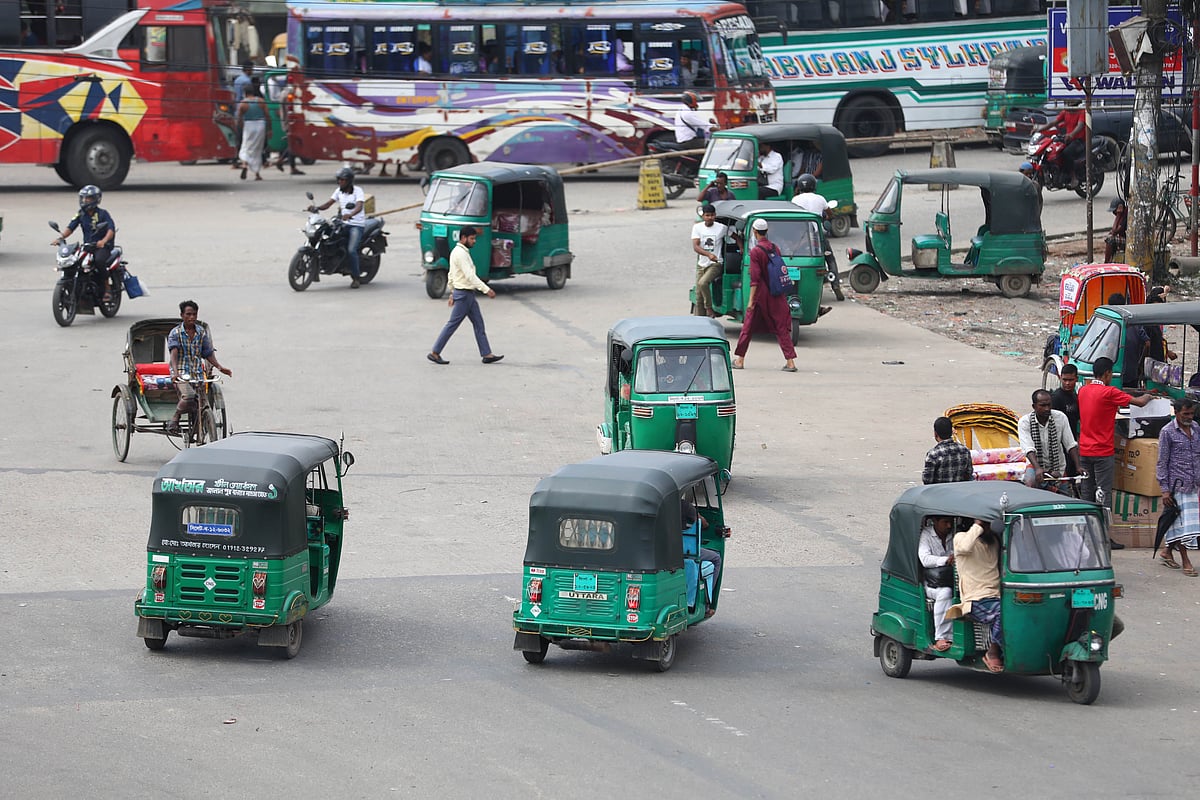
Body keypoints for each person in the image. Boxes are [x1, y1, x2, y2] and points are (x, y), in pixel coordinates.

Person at [1078, 356, 1152, 543]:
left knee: (1087, 492)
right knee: (1104, 494)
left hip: (1084, 450)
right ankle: (1104, 537)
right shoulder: (1109, 392)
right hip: (1102, 451)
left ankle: (1087, 534)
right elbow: (1140, 402)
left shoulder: (1083, 391)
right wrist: (1150, 395)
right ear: (1107, 373)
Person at [427, 226, 504, 365]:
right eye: (472, 238)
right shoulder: (461, 254)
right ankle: (435, 352)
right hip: (464, 295)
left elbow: (452, 274)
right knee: (452, 325)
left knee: (478, 324)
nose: (474, 241)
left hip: (466, 294)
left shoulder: (458, 252)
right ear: (463, 238)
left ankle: (487, 354)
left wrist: (452, 292)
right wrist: (486, 289)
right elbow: (470, 276)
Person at [732, 219, 797, 372]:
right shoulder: (775, 248)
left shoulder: (755, 251)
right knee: (781, 327)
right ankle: (790, 362)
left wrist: (750, 302)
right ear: (767, 231)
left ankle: (740, 360)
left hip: (761, 296)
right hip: (776, 293)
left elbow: (755, 279)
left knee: (747, 327)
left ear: (754, 232)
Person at [166, 300, 233, 436]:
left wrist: (220, 367)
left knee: (201, 405)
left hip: (197, 373)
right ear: (182, 315)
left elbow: (208, 353)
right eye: (188, 314)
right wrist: (175, 372)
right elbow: (174, 354)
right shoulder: (176, 333)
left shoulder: (201, 332)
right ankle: (175, 417)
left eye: (194, 314)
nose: (191, 317)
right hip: (181, 373)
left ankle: (199, 432)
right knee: (189, 396)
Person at [946, 518, 1004, 673]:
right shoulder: (961, 539)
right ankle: (992, 651)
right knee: (1003, 614)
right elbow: (964, 547)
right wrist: (978, 526)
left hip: (996, 595)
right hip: (976, 599)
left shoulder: (993, 542)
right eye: (985, 524)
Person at [1157, 397, 1200, 576]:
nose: (1189, 417)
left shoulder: (1197, 428)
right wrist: (1165, 490)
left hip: (1195, 483)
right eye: (1185, 414)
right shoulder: (1167, 432)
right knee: (1185, 525)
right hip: (1178, 485)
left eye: (1191, 413)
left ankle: (1167, 551)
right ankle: (1185, 560)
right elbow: (1162, 462)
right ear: (1176, 413)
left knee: (1178, 522)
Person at [52, 184, 117, 301]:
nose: (85, 201)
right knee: (74, 262)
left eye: (88, 198)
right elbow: (71, 227)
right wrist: (60, 238)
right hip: (87, 246)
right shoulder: (81, 213)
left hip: (102, 247)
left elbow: (110, 230)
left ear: (96, 199)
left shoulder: (103, 214)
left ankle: (107, 288)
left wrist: (103, 241)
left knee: (99, 261)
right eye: (83, 198)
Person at [309, 167, 366, 288]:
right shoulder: (338, 191)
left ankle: (356, 278)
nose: (340, 182)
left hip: (356, 225)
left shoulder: (358, 191)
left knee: (351, 250)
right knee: (326, 237)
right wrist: (317, 208)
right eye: (338, 179)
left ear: (349, 181)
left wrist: (350, 214)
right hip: (343, 223)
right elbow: (328, 204)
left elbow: (359, 206)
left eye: (342, 180)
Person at [790, 172, 840, 307]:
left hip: (800, 238)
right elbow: (830, 214)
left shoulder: (795, 200)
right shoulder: (820, 199)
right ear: (814, 185)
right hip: (817, 236)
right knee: (830, 258)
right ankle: (836, 285)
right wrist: (826, 218)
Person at [1018, 389, 1081, 489]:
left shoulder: (1060, 418)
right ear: (1034, 407)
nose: (1047, 409)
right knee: (1030, 482)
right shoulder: (1025, 422)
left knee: (1065, 496)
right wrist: (1038, 468)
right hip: (1035, 465)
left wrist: (1078, 466)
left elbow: (1070, 444)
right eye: (1043, 405)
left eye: (1049, 405)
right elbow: (1029, 449)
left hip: (1058, 466)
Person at [919, 516, 956, 651]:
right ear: (935, 521)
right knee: (946, 593)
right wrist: (946, 560)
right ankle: (941, 637)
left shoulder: (953, 534)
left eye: (950, 522)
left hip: (952, 579)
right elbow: (924, 559)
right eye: (945, 522)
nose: (948, 526)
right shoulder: (927, 535)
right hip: (932, 584)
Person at [680, 497, 722, 617]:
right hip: (686, 551)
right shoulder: (686, 507)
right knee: (716, 558)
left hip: (665, 550)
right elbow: (704, 524)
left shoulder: (660, 505)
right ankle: (707, 602)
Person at [1034, 100, 1086, 188]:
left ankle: (1073, 177)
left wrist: (1071, 134)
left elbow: (1080, 126)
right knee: (1055, 151)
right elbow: (1053, 123)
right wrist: (1039, 130)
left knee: (1066, 153)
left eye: (1070, 104)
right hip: (1067, 139)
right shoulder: (1065, 112)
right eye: (1067, 104)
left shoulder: (1082, 112)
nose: (1067, 106)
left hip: (1079, 140)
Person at [692, 204, 727, 318]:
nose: (710, 218)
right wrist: (708, 254)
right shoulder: (697, 228)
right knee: (698, 296)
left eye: (712, 215)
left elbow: (735, 236)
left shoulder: (721, 228)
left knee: (703, 283)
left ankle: (709, 308)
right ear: (703, 216)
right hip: (702, 264)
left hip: (716, 263)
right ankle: (701, 321)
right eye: (707, 215)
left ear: (715, 215)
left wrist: (741, 247)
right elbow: (696, 247)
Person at [922, 416, 973, 484]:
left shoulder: (933, 454)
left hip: (939, 493)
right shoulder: (965, 451)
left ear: (935, 434)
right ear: (952, 431)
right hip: (960, 492)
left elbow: (927, 480)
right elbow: (969, 474)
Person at [235, 78, 269, 181]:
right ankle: (257, 174)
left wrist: (239, 128)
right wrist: (270, 129)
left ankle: (244, 164)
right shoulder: (261, 101)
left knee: (246, 146)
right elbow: (267, 116)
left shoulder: (243, 104)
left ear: (245, 93)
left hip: (248, 125)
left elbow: (239, 119)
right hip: (260, 125)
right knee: (257, 149)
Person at [1104, 197, 1128, 262]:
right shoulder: (1122, 216)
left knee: (1110, 239)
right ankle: (1110, 260)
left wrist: (1118, 215)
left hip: (1128, 240)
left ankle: (1106, 263)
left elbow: (1115, 231)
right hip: (1123, 237)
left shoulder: (1125, 215)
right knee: (1110, 235)